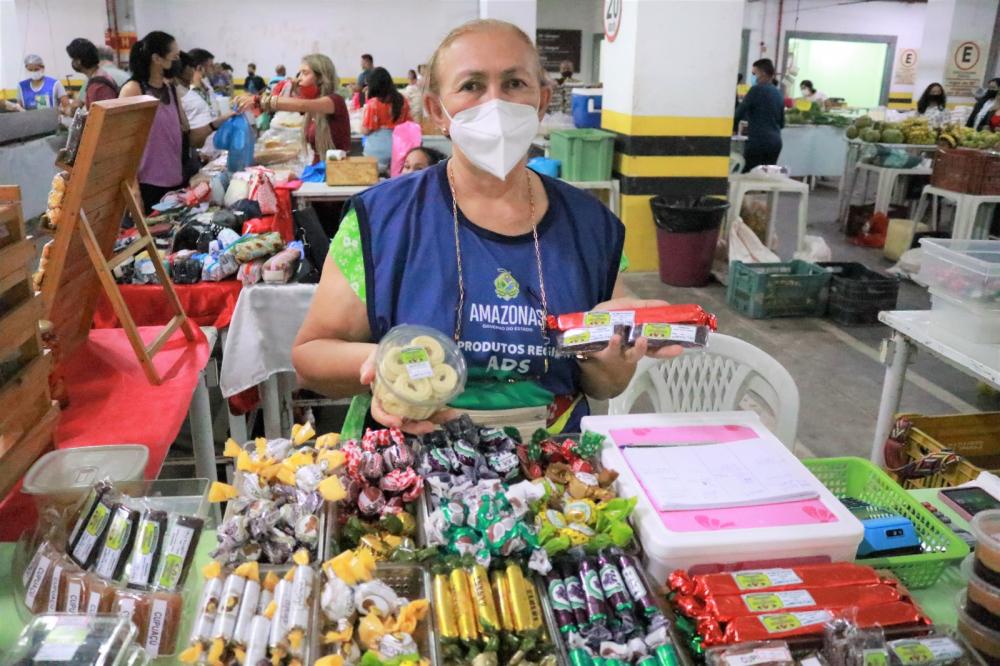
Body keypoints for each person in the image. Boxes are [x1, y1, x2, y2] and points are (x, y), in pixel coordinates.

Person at [291, 18, 680, 436]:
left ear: (542, 101)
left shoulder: (589, 226)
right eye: (471, 85)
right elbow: (310, 356)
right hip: (412, 454)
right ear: (437, 111)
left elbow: (605, 386)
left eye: (514, 84)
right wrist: (382, 365)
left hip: (552, 460)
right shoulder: (384, 218)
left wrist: (604, 356)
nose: (495, 103)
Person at [238, 53, 350, 161]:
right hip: (318, 167)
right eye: (299, 73)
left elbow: (301, 105)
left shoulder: (334, 101)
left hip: (335, 170)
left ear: (321, 77)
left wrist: (260, 100)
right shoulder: (311, 106)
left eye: (305, 73)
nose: (299, 79)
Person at [119, 31, 186, 212]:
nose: (178, 62)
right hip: (148, 184)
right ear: (157, 59)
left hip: (175, 180)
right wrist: (133, 188)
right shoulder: (133, 90)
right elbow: (123, 146)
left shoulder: (170, 89)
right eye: (175, 57)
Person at [734, 58, 785, 172]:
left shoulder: (756, 90)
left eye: (754, 73)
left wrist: (732, 128)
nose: (753, 77)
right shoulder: (778, 93)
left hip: (758, 142)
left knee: (750, 175)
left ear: (763, 73)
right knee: (766, 176)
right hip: (775, 142)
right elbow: (782, 123)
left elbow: (739, 113)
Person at [175, 51, 231, 148]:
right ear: (200, 68)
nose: (213, 69)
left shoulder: (207, 86)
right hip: (197, 144)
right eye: (211, 66)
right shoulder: (183, 93)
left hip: (213, 143)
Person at [362, 66, 412, 172]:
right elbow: (409, 124)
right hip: (399, 150)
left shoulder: (373, 104)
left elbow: (366, 130)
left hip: (377, 153)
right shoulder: (402, 100)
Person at [66, 38, 118, 110]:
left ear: (79, 61)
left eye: (73, 59)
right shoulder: (103, 75)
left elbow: (97, 115)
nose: (72, 62)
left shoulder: (96, 86)